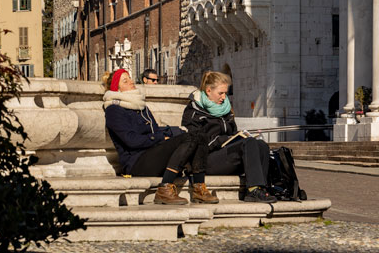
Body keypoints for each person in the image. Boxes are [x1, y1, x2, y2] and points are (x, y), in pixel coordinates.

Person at [102, 68, 218, 205]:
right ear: (117, 89)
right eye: (125, 81)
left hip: (153, 154)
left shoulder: (141, 106)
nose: (131, 82)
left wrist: (166, 136)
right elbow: (131, 141)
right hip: (137, 162)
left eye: (130, 78)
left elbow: (155, 130)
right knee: (190, 138)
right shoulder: (114, 110)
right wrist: (160, 139)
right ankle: (165, 188)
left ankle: (199, 188)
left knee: (199, 134)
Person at [181, 70, 276, 203]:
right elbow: (194, 141)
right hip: (205, 159)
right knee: (247, 143)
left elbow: (233, 133)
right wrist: (223, 140)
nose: (224, 97)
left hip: (225, 155)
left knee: (261, 145)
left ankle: (261, 188)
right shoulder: (194, 111)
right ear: (208, 91)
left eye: (226, 93)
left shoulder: (226, 111)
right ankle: (253, 189)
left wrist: (236, 137)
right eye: (221, 93)